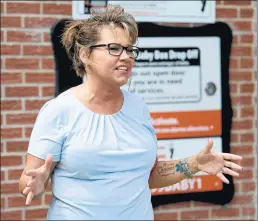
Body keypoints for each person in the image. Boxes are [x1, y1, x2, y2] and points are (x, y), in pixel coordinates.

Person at [19, 4, 243, 220]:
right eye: (114, 48)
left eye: (130, 49)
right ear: (85, 54)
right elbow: (28, 184)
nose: (126, 56)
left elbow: (149, 176)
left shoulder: (138, 107)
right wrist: (36, 185)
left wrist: (195, 164)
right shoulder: (59, 111)